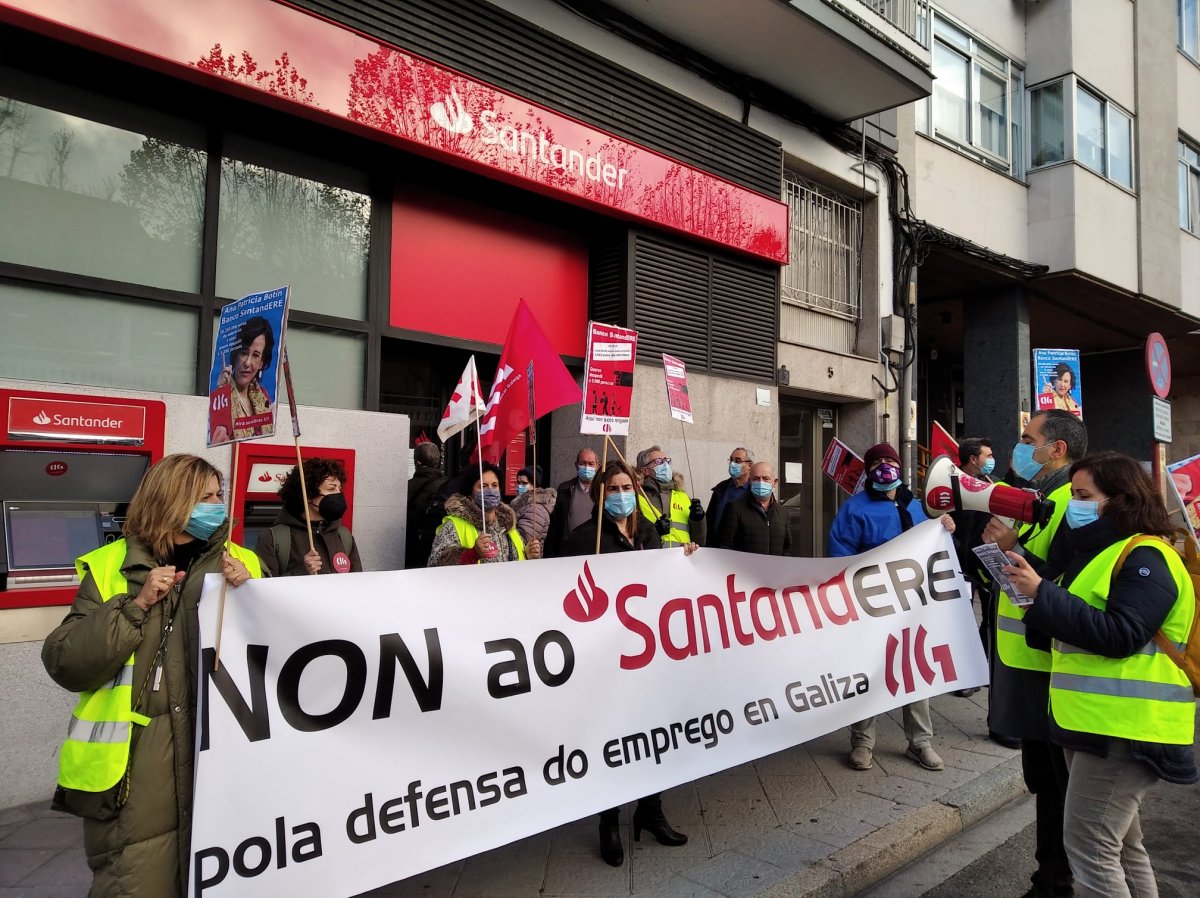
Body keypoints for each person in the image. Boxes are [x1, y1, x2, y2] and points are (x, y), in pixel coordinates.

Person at [41, 454, 262, 898]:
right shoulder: (111, 566)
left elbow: (275, 653)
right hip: (134, 779)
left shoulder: (242, 563)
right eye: (204, 497)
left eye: (218, 495)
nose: (217, 506)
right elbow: (65, 661)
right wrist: (135, 606)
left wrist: (254, 592)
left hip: (221, 762)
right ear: (170, 499)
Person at [1002, 452, 1197, 898]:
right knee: (1123, 848)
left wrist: (1042, 594)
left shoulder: (1147, 555)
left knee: (1090, 850)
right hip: (1097, 724)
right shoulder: (1102, 553)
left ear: (1121, 499)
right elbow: (1078, 622)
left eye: (1084, 496)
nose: (1075, 505)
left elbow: (1120, 634)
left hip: (1125, 729)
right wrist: (1034, 594)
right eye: (1074, 494)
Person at [563, 461, 694, 866]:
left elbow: (663, 583)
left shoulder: (648, 533)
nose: (621, 495)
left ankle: (651, 810)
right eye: (614, 489)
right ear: (600, 495)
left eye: (627, 488)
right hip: (607, 658)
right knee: (615, 739)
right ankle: (609, 821)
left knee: (653, 734)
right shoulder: (584, 539)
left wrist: (686, 558)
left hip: (648, 652)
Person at [982, 408, 1088, 898]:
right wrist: (993, 554)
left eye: (1028, 439)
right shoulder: (1038, 496)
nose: (1020, 448)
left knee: (1059, 784)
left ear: (1056, 449)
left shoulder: (1071, 501)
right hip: (1027, 658)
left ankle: (1057, 881)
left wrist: (1011, 551)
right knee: (1045, 781)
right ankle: (1050, 877)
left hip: (1047, 662)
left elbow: (1059, 585)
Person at [828, 442, 953, 773]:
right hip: (871, 604)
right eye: (877, 462)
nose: (885, 466)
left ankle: (920, 742)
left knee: (915, 668)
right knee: (869, 670)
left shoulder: (919, 507)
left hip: (914, 605)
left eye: (890, 460)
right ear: (868, 470)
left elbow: (939, 548)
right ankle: (862, 741)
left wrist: (946, 529)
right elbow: (839, 554)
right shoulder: (855, 509)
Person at [255, 457, 362, 576]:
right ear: (308, 496)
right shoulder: (274, 539)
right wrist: (302, 572)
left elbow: (358, 582)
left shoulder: (343, 536)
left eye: (339, 488)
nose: (338, 494)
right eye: (331, 488)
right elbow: (263, 584)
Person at [950, 436, 996, 699]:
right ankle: (964, 675)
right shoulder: (951, 486)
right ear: (973, 459)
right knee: (963, 621)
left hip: (987, 563)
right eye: (987, 456)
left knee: (990, 618)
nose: (991, 460)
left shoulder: (992, 483)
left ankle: (982, 668)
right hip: (961, 565)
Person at [428, 462, 542, 565]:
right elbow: (435, 563)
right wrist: (472, 554)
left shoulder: (507, 526)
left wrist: (527, 555)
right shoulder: (453, 526)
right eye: (483, 486)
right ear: (470, 491)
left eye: (495, 485)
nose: (490, 490)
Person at [211, 316, 275, 442]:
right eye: (244, 353)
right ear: (236, 355)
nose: (247, 363)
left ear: (262, 363)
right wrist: (221, 394)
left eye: (255, 355)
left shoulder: (264, 398)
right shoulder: (219, 396)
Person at [714, 461, 791, 556]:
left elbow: (787, 547)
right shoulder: (735, 508)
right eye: (756, 478)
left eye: (766, 478)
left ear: (774, 482)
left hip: (775, 565)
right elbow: (724, 545)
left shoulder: (783, 513)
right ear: (750, 482)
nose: (761, 482)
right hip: (743, 565)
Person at [635, 445, 706, 547]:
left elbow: (699, 541)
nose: (665, 465)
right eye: (659, 461)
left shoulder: (683, 496)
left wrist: (698, 520)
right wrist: (654, 531)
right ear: (645, 470)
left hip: (682, 556)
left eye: (666, 461)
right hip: (652, 555)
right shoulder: (637, 496)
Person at [545, 447, 599, 557]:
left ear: (597, 466)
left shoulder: (603, 491)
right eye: (582, 463)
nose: (586, 467)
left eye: (590, 464)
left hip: (595, 552)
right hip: (569, 552)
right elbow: (555, 527)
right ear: (576, 465)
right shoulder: (565, 489)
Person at [406, 442, 447, 569]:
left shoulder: (406, 487)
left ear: (417, 462)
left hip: (409, 547)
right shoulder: (447, 487)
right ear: (438, 462)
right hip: (437, 547)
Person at [705, 447, 752, 543]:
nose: (732, 464)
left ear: (749, 465)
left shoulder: (755, 491)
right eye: (731, 460)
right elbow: (709, 519)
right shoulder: (721, 488)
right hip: (716, 545)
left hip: (741, 547)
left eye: (737, 461)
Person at [510, 464, 556, 549]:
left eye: (524, 483)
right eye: (518, 483)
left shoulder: (535, 509)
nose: (519, 486)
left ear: (534, 485)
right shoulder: (524, 505)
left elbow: (524, 539)